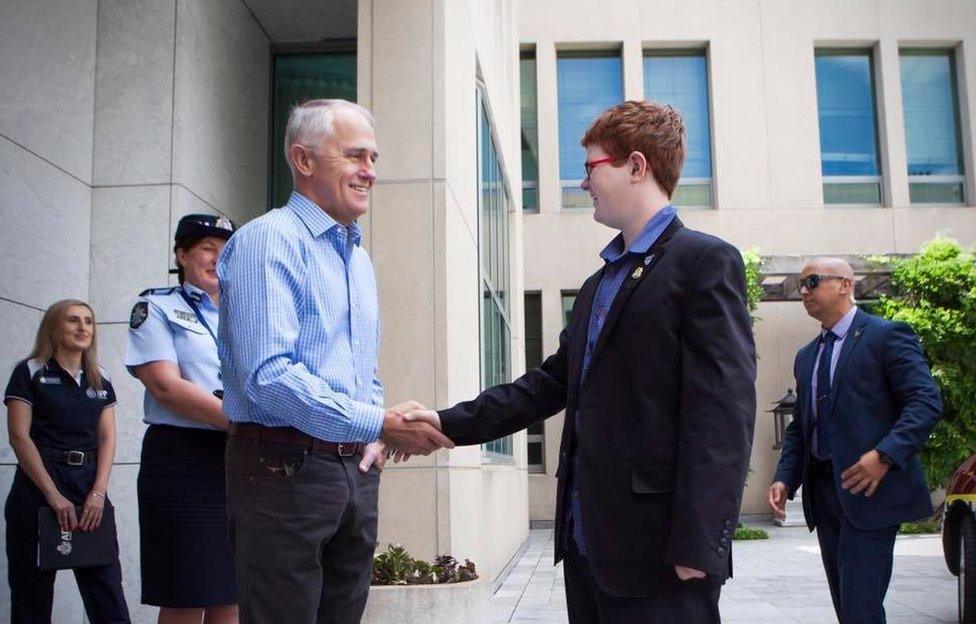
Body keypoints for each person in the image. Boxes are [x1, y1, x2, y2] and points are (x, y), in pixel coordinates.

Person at [407, 100, 757, 623]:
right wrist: (445, 423)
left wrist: (700, 542)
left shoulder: (704, 262)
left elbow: (723, 411)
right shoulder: (599, 284)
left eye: (591, 168)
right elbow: (547, 384)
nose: (583, 183)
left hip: (663, 553)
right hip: (589, 547)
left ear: (636, 166)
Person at [217, 98, 453, 624]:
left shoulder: (358, 259)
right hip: (281, 470)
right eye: (354, 156)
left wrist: (370, 433)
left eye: (373, 157)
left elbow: (360, 369)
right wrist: (381, 422)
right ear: (303, 160)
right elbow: (268, 377)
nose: (370, 171)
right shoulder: (267, 242)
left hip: (353, 470)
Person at [768, 257, 942, 624]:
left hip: (871, 491)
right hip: (824, 493)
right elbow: (801, 425)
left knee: (861, 609)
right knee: (847, 609)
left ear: (846, 284)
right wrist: (785, 478)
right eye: (801, 285)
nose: (803, 291)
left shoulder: (886, 335)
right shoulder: (807, 356)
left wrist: (885, 455)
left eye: (812, 281)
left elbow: (925, 401)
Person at [124, 214, 238, 623]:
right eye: (207, 248)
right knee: (187, 592)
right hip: (182, 460)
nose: (217, 258)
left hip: (238, 459)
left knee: (232, 592)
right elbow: (165, 387)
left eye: (226, 251)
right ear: (181, 253)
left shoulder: (245, 316)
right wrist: (241, 421)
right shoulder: (155, 307)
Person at [4, 299, 131, 623]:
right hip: (38, 488)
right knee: (31, 596)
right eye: (73, 320)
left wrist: (98, 492)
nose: (83, 327)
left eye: (88, 321)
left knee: (107, 594)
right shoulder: (29, 371)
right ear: (53, 327)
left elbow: (107, 438)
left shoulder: (99, 377)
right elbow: (19, 436)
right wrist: (53, 495)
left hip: (88, 485)